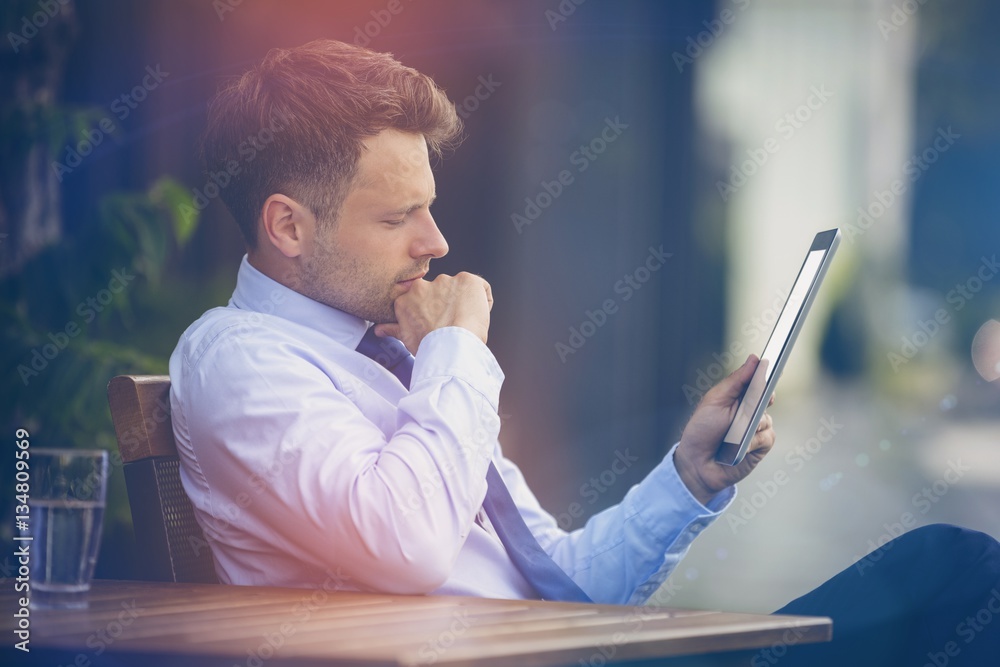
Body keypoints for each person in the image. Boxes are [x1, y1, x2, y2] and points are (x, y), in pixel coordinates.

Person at [170, 39, 1000, 664]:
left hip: (572, 649)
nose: (436, 239)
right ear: (286, 226)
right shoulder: (238, 360)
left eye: (430, 206)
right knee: (955, 573)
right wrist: (456, 349)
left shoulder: (395, 356)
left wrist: (689, 475)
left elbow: (568, 579)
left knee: (950, 569)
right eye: (397, 218)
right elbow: (410, 541)